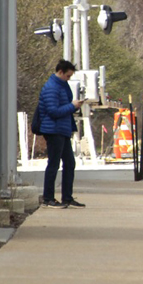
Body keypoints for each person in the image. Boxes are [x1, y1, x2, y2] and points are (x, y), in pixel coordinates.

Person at [38, 59, 86, 208]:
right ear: (60, 72)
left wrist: (73, 106)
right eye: (68, 76)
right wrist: (72, 106)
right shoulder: (52, 88)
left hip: (62, 129)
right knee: (53, 163)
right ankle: (48, 198)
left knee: (69, 163)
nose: (69, 79)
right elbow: (53, 111)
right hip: (54, 130)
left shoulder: (61, 86)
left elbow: (61, 107)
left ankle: (67, 197)